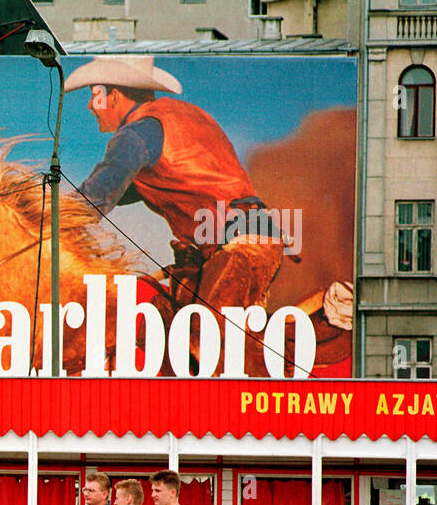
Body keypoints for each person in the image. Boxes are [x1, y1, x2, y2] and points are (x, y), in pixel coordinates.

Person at [65, 55, 282, 317]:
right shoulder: (182, 116)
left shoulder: (135, 136)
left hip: (236, 243)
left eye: (95, 95)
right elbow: (119, 188)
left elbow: (98, 195)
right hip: (248, 236)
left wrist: (44, 217)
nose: (90, 105)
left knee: (205, 340)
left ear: (115, 96)